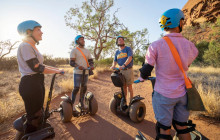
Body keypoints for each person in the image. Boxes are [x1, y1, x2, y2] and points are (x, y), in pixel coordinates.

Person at [139, 9, 198, 140]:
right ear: (180, 23)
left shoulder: (155, 45)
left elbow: (147, 68)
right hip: (183, 93)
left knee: (164, 129)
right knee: (182, 126)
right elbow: (186, 65)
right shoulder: (190, 46)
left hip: (163, 94)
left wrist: (141, 78)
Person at [17, 20, 64, 134]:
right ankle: (30, 134)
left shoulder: (31, 46)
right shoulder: (25, 46)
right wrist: (56, 71)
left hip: (36, 82)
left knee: (38, 111)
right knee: (35, 115)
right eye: (38, 29)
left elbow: (41, 66)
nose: (41, 32)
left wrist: (57, 70)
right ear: (28, 32)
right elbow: (37, 67)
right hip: (30, 83)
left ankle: (35, 131)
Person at [70, 35, 94, 110]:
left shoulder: (87, 50)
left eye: (83, 39)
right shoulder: (74, 50)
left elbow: (90, 60)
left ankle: (81, 103)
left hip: (86, 72)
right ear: (77, 41)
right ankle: (72, 105)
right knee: (76, 88)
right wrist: (78, 66)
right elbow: (71, 62)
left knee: (84, 88)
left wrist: (92, 65)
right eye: (81, 39)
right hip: (77, 72)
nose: (83, 41)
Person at [110, 36, 134, 104]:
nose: (120, 40)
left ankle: (131, 103)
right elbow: (115, 60)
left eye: (122, 39)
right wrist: (113, 65)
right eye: (119, 40)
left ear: (123, 41)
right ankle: (124, 102)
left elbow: (130, 58)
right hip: (121, 71)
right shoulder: (117, 51)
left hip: (128, 69)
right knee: (123, 87)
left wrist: (124, 65)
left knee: (129, 87)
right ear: (117, 42)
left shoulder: (128, 48)